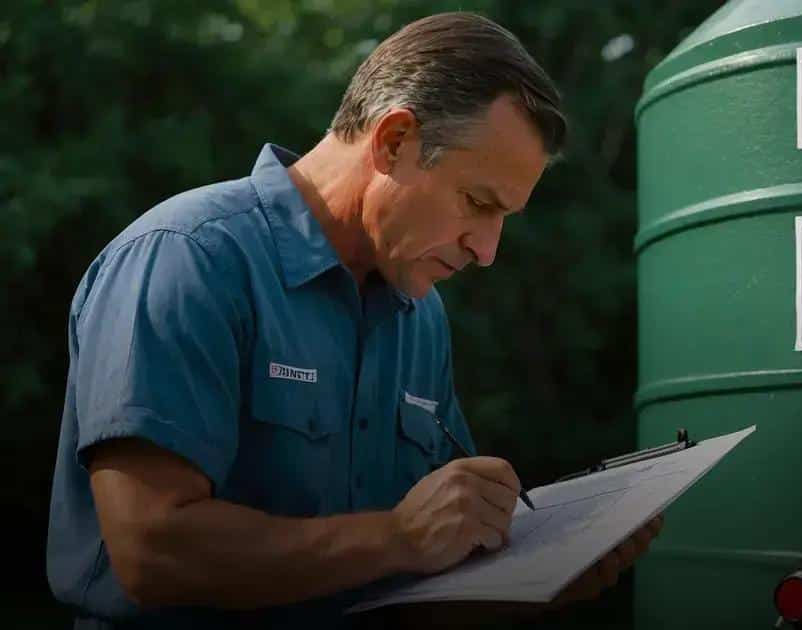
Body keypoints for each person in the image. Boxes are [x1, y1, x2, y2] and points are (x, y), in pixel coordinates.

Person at [46, 12, 663, 629]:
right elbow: (151, 550)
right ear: (394, 141)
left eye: (504, 217)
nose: (487, 250)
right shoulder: (187, 258)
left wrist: (541, 579)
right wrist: (395, 537)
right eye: (478, 203)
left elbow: (429, 562)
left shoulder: (421, 314)